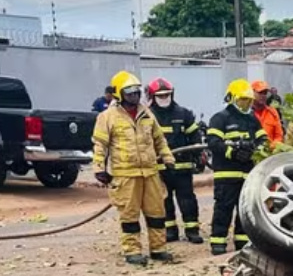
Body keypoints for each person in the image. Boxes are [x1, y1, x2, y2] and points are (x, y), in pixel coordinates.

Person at [92, 71, 175, 266]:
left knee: (157, 213)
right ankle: (132, 251)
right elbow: (100, 144)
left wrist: (168, 158)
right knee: (129, 216)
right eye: (129, 93)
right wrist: (98, 168)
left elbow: (159, 140)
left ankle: (158, 249)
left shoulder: (147, 114)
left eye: (136, 92)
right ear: (119, 94)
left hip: (150, 172)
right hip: (125, 175)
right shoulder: (108, 117)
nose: (134, 96)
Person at [206, 79, 268, 256]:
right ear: (232, 98)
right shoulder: (220, 118)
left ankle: (242, 241)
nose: (245, 104)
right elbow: (213, 142)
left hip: (247, 174)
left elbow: (263, 140)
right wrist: (232, 152)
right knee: (223, 209)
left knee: (244, 210)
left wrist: (254, 151)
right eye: (242, 100)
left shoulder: (252, 120)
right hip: (226, 174)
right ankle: (218, 242)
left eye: (248, 101)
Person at [146, 77, 203, 244]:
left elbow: (194, 136)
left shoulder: (183, 114)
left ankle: (192, 230)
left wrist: (198, 154)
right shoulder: (148, 116)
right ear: (152, 96)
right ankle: (170, 231)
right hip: (159, 168)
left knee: (187, 200)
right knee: (164, 201)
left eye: (167, 95)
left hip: (182, 167)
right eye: (160, 95)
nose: (164, 98)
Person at [251, 80, 284, 146]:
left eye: (265, 93)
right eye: (260, 92)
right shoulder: (246, 113)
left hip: (270, 153)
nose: (263, 95)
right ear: (252, 93)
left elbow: (279, 136)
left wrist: (270, 147)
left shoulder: (273, 112)